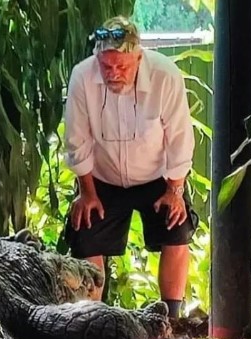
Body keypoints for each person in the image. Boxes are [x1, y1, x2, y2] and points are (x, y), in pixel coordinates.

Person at [62, 16, 198, 319]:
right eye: (107, 66)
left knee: (177, 225)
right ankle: (91, 318)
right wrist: (87, 192)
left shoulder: (165, 74)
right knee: (85, 231)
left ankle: (171, 317)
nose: (113, 74)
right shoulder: (82, 77)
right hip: (102, 176)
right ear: (97, 58)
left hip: (157, 175)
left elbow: (179, 138)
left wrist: (175, 190)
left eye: (122, 67)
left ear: (139, 57)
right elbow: (77, 139)